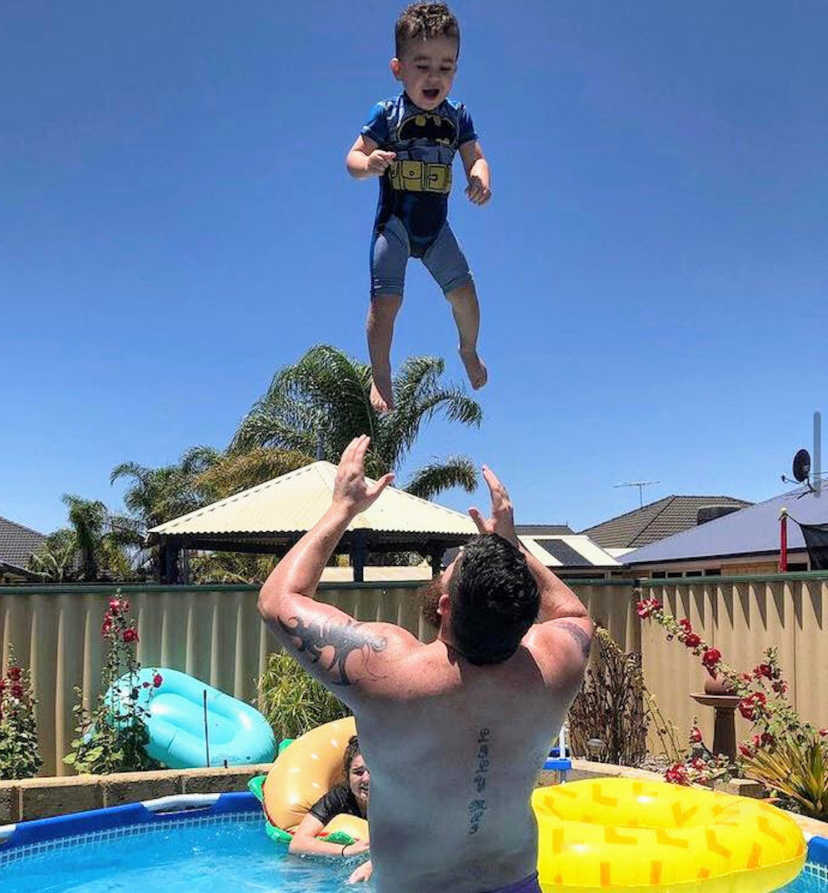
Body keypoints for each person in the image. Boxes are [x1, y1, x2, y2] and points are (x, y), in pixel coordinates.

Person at [258, 436, 593, 892]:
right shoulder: (553, 667)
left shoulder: (388, 672)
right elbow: (572, 614)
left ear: (445, 606)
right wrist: (511, 545)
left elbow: (279, 599)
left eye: (446, 574)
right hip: (514, 881)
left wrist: (343, 507)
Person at [346, 3, 491, 413]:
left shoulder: (457, 117)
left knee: (465, 293)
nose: (434, 77)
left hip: (436, 232)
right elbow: (352, 159)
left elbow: (475, 158)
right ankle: (381, 376)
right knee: (385, 303)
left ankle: (468, 348)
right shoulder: (386, 115)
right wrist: (368, 165)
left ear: (456, 71)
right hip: (394, 226)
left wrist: (480, 178)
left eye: (445, 68)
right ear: (399, 69)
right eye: (423, 65)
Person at [287, 735, 371, 860]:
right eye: (358, 772)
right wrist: (346, 850)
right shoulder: (338, 797)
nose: (366, 779)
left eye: (372, 771)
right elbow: (297, 844)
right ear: (347, 775)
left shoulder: (394, 798)